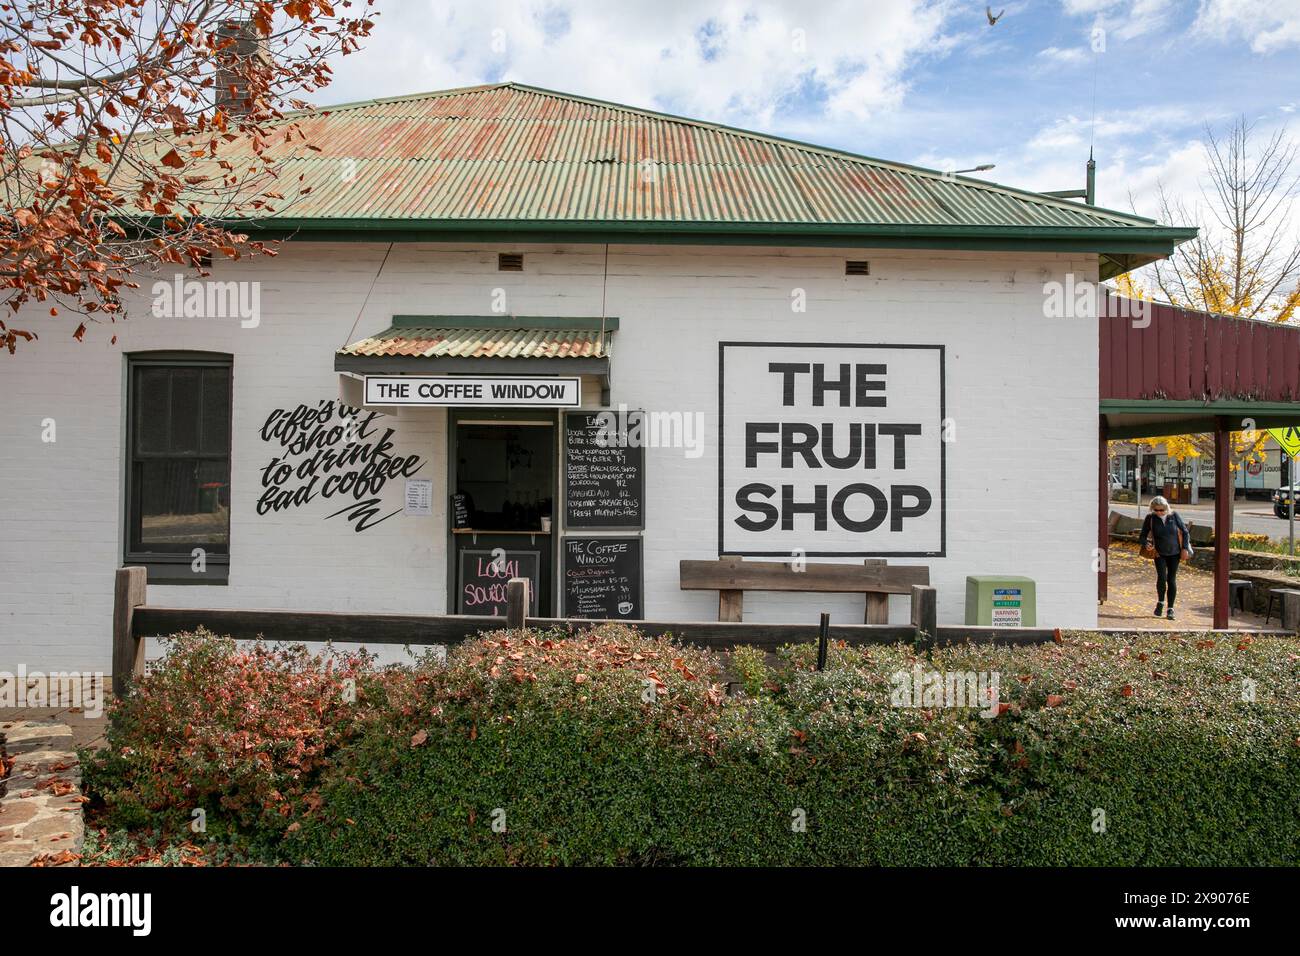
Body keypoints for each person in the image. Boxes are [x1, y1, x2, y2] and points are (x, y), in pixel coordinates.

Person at [1138, 495, 1193, 620]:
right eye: (1156, 510)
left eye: (1161, 510)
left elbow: (1185, 532)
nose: (1159, 512)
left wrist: (1184, 548)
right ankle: (1160, 602)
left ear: (1166, 508)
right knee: (1162, 578)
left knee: (1171, 579)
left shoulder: (1174, 516)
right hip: (1159, 553)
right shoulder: (1150, 518)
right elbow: (1142, 535)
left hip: (1175, 553)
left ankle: (1170, 609)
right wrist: (1146, 544)